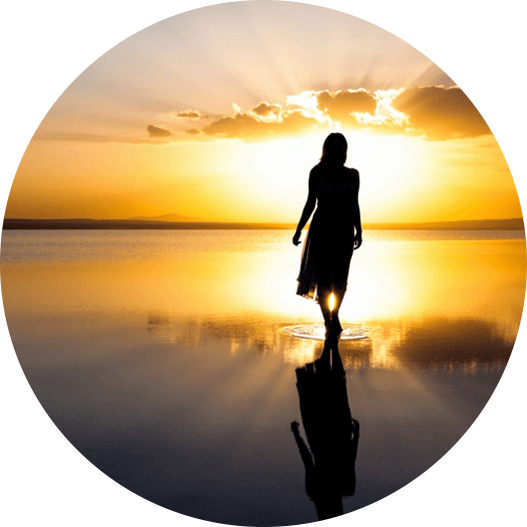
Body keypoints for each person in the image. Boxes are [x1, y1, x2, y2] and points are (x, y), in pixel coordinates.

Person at [293, 132, 362, 335]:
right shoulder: (317, 173)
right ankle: (329, 321)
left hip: (344, 231)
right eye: (332, 146)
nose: (337, 150)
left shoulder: (353, 175)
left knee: (340, 280)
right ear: (326, 149)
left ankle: (334, 315)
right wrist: (298, 228)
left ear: (345, 150)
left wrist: (360, 229)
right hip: (322, 230)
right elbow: (309, 203)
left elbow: (354, 205)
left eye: (341, 147)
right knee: (324, 280)